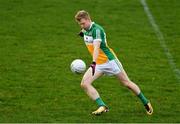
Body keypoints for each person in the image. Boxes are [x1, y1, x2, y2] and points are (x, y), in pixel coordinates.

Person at [74, 10, 153, 115]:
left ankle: (146, 102)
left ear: (89, 19)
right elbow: (85, 34)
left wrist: (93, 62)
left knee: (126, 83)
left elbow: (97, 48)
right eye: (80, 24)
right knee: (85, 83)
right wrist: (82, 33)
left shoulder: (97, 30)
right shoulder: (85, 30)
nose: (82, 26)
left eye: (83, 23)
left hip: (110, 61)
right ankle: (102, 106)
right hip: (98, 64)